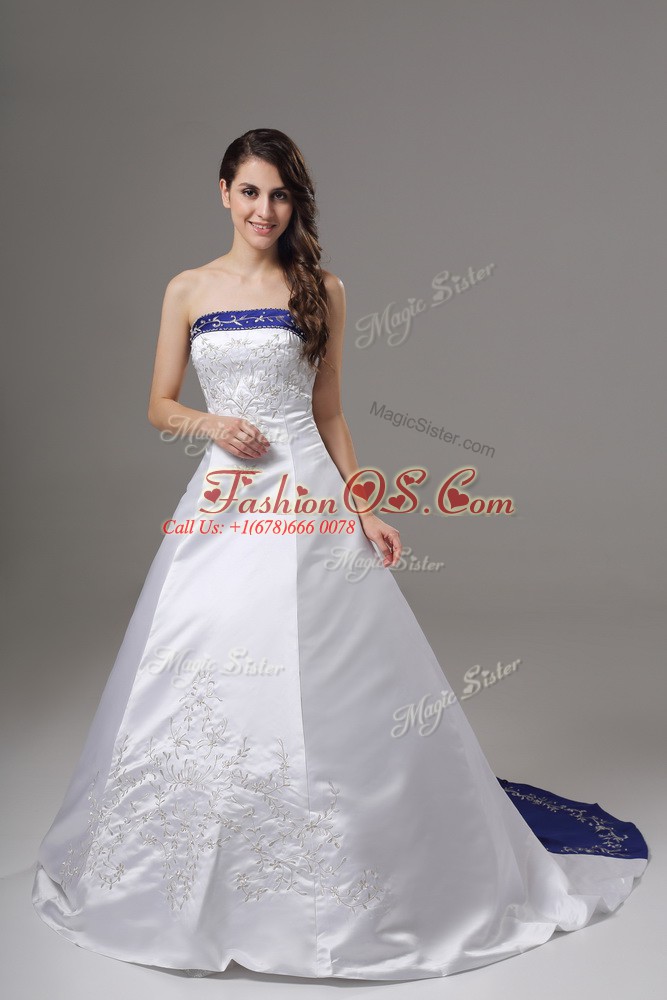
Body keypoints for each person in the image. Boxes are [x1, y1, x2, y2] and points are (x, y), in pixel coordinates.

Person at [31, 128, 649, 982]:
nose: (264, 210)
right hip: (225, 498)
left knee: (331, 672)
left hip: (309, 496)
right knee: (204, 664)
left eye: (280, 195)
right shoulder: (187, 288)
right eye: (251, 192)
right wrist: (212, 424)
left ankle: (356, 861)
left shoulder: (322, 288)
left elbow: (328, 414)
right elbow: (158, 404)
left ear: (295, 203)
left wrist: (363, 506)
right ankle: (197, 870)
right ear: (223, 193)